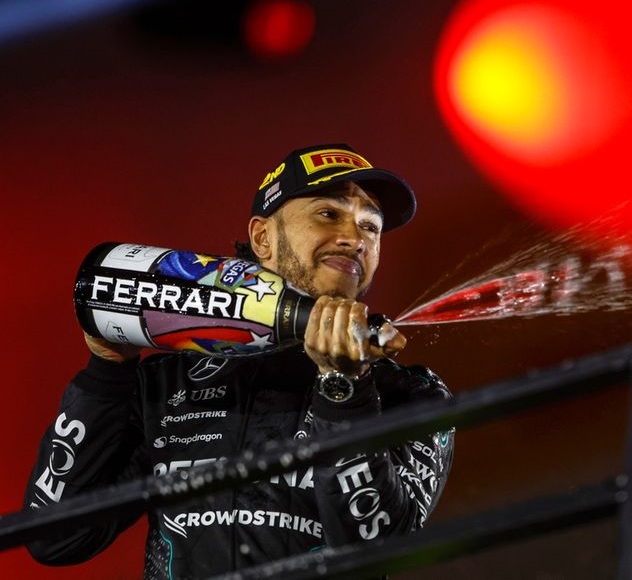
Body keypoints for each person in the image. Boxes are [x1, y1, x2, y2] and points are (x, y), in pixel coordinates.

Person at [24, 144, 453, 578]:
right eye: (329, 214)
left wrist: (343, 389)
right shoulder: (170, 381)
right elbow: (55, 538)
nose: (354, 238)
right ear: (263, 238)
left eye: (371, 227)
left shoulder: (408, 393)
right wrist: (106, 372)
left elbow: (380, 543)